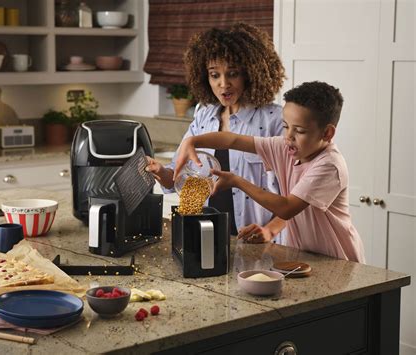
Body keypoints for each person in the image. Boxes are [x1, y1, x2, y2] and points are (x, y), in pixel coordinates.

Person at [173, 81, 365, 263]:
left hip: (338, 260)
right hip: (304, 256)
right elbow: (232, 140)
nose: (288, 136)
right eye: (285, 126)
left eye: (299, 130)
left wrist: (237, 181)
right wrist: (193, 141)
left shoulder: (329, 165)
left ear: (327, 133)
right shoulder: (285, 147)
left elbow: (287, 208)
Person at [146, 23, 287, 243]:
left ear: (250, 73)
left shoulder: (275, 121)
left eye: (233, 74)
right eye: (214, 75)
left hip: (260, 241)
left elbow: (299, 199)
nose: (224, 84)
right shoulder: (204, 115)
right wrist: (159, 171)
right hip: (209, 235)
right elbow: (176, 177)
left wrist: (270, 230)